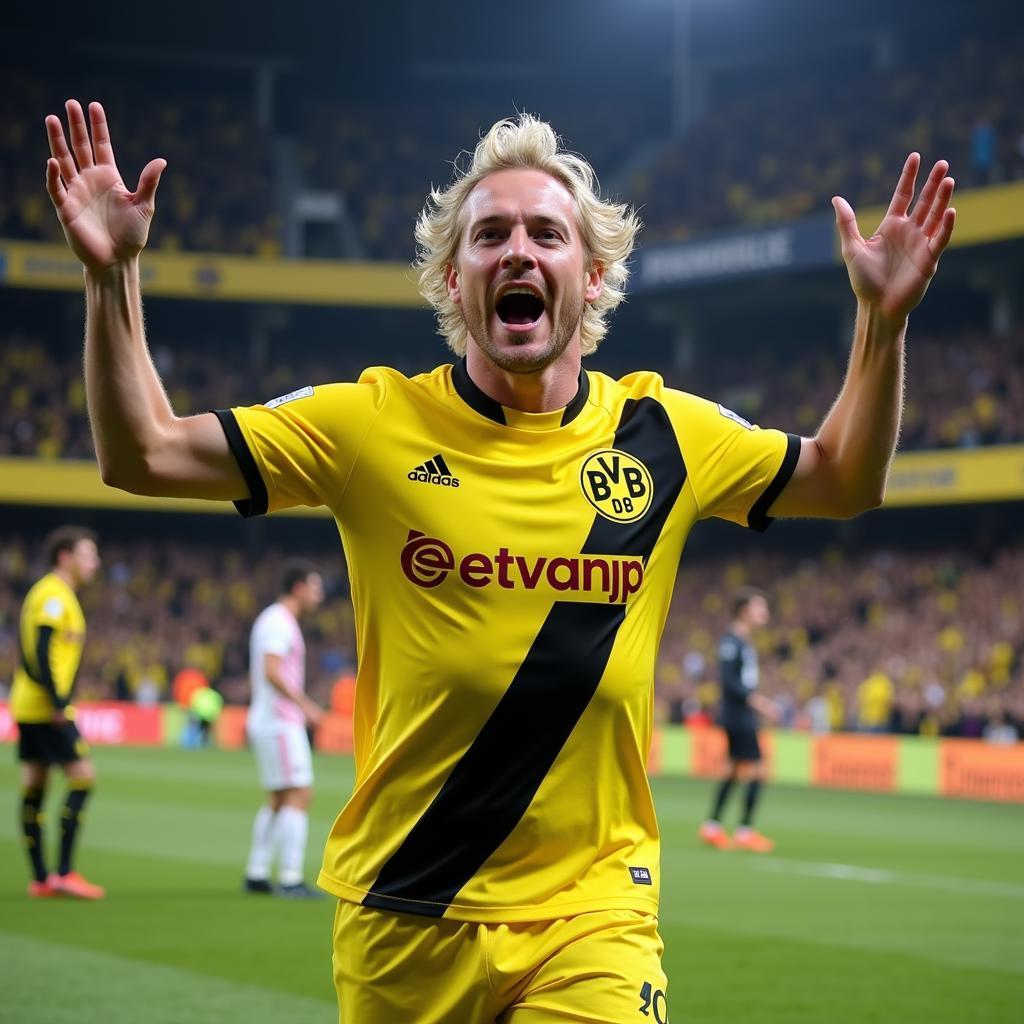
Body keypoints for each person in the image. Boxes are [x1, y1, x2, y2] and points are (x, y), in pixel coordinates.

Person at [44, 99, 955, 1021]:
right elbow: (144, 454)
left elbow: (843, 479)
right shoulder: (370, 424)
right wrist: (112, 277)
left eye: (546, 233)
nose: (519, 250)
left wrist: (881, 324)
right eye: (490, 235)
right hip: (406, 908)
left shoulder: (669, 436)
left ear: (593, 277)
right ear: (452, 277)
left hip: (591, 913)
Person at [12, 526, 105, 899]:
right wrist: (56, 703)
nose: (95, 562)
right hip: (44, 707)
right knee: (83, 779)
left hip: (29, 704)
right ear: (65, 557)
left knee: (35, 786)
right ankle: (64, 872)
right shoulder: (53, 595)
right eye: (88, 554)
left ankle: (41, 879)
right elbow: (40, 649)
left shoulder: (56, 593)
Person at [243, 560, 325, 899]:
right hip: (279, 721)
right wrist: (305, 704)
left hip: (269, 719)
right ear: (299, 587)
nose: (319, 596)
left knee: (279, 798)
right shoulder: (279, 622)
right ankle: (290, 877)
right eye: (316, 587)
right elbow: (273, 670)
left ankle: (257, 872)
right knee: (300, 793)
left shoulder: (274, 619)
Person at [698, 588, 780, 853]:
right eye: (760, 608)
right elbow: (729, 681)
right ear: (745, 611)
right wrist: (760, 703)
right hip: (737, 714)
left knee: (734, 769)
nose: (765, 613)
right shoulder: (732, 642)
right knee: (757, 769)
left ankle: (712, 826)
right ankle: (745, 831)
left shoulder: (742, 642)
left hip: (739, 713)